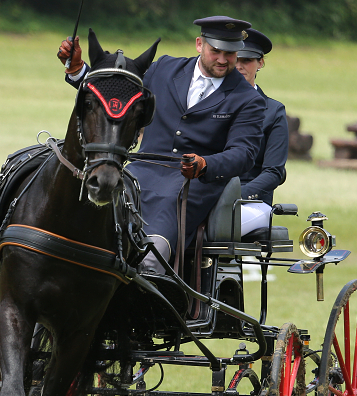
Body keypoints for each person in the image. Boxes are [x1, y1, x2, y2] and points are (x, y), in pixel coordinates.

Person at [58, 17, 266, 274]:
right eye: (216, 51)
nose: (223, 60)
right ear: (199, 44)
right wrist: (78, 69)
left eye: (230, 54)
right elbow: (115, 94)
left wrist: (206, 164)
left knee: (151, 254)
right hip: (138, 175)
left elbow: (244, 154)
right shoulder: (164, 68)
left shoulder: (248, 99)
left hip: (192, 187)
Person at [234, 28, 289, 206]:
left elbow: (273, 172)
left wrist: (235, 196)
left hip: (251, 202)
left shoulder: (274, 111)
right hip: (206, 195)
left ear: (260, 63)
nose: (239, 66)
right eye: (235, 59)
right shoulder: (207, 104)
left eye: (247, 60)